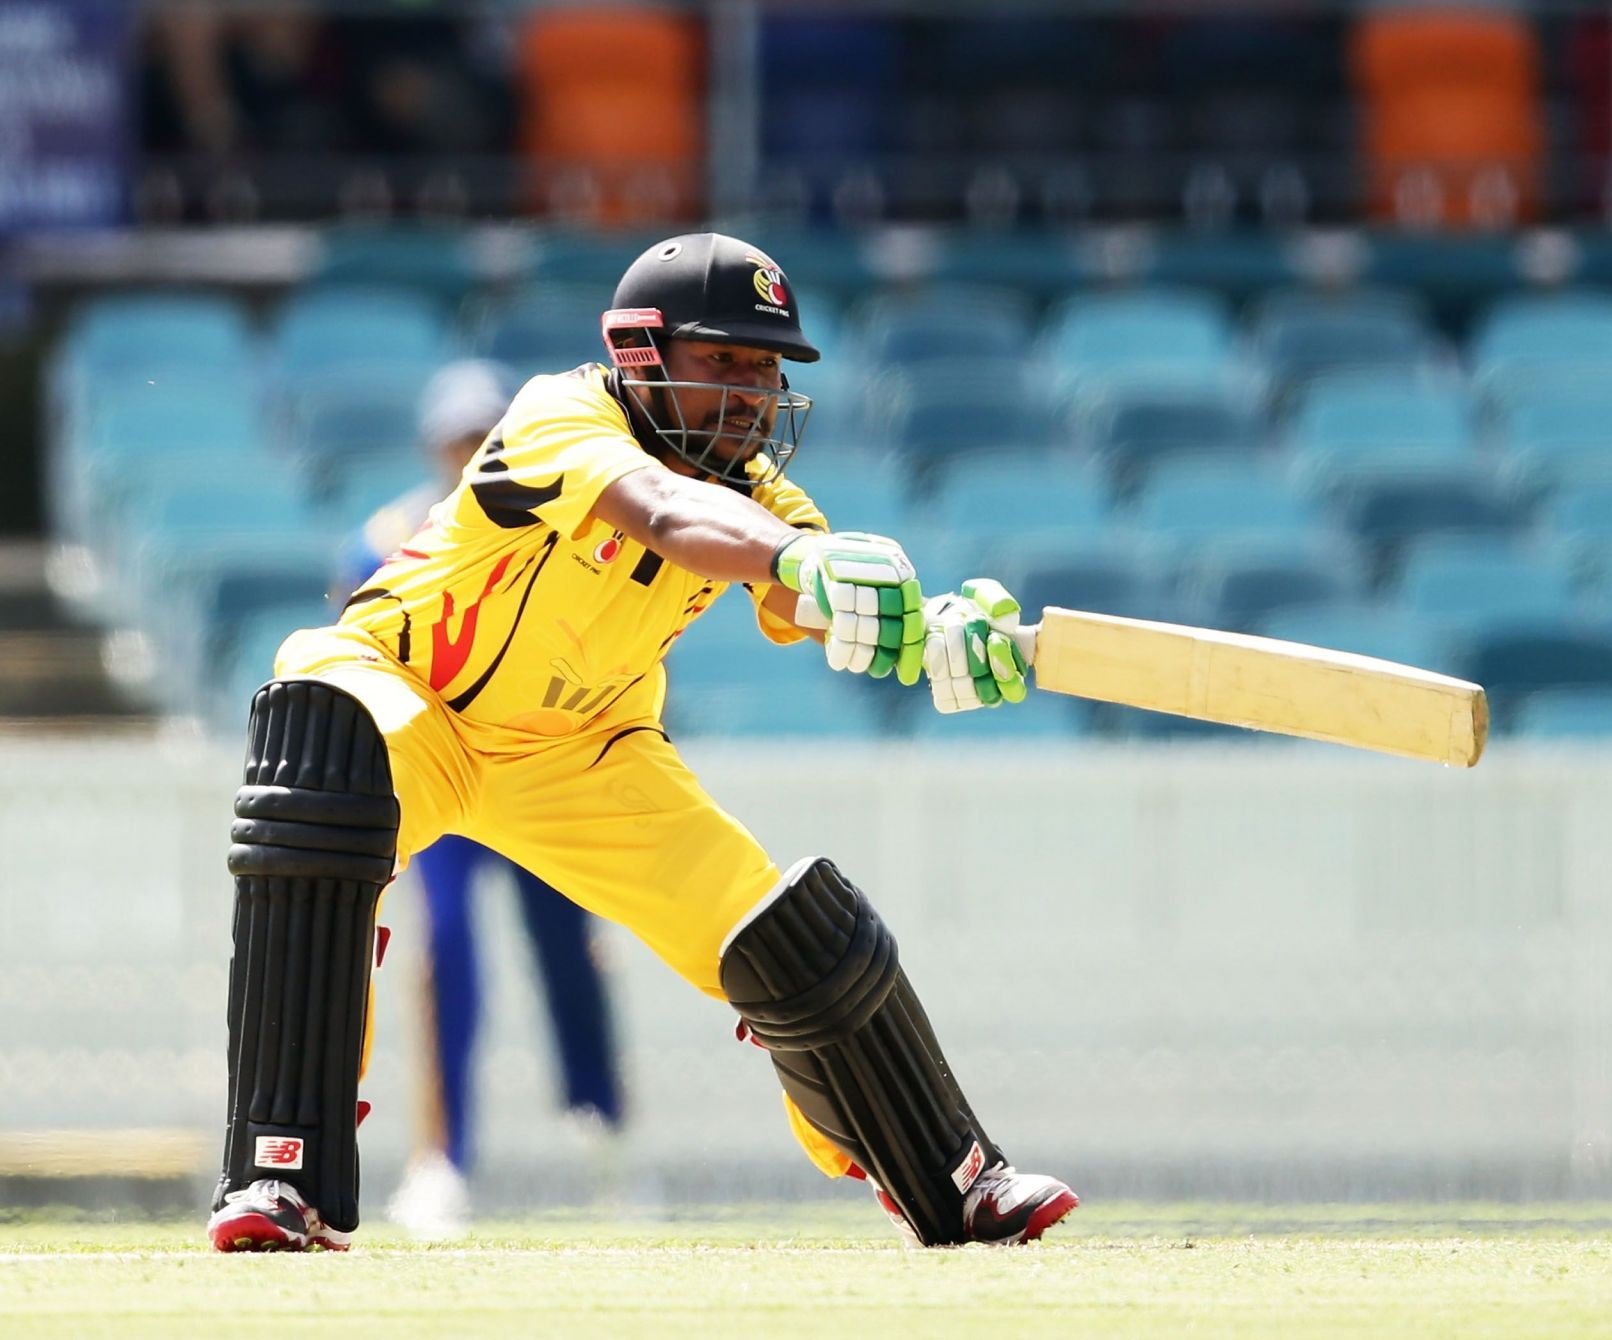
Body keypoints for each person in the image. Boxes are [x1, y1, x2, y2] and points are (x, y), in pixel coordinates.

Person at [207, 232, 1072, 1253]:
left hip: (585, 753)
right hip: (410, 694)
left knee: (788, 931)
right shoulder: (559, 415)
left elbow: (809, 592)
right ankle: (280, 1175)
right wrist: (799, 551)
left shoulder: (759, 494)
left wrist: (933, 635)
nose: (753, 393)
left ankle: (955, 1175)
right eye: (727, 361)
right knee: (322, 751)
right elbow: (666, 511)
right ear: (641, 355)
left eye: (767, 368)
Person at [332, 360, 625, 1239]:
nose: (470, 454)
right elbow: (360, 652)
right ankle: (442, 1158)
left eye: (483, 437)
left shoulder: (565, 524)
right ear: (437, 445)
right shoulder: (390, 533)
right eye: (459, 439)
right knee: (447, 956)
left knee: (569, 948)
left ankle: (599, 1122)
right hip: (446, 777)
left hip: (541, 767)